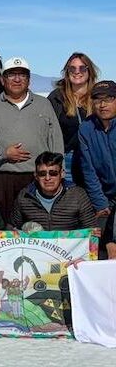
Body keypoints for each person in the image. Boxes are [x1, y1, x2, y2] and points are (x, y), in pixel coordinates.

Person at [0, 56, 64, 221]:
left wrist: (58, 169)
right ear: (2, 80)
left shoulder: (43, 104)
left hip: (36, 177)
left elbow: (55, 139)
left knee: (36, 225)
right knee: (4, 226)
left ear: (29, 80)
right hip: (1, 178)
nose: (17, 79)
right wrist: (3, 153)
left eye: (22, 75)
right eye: (11, 75)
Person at [48, 52, 100, 186]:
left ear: (89, 71)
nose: (77, 72)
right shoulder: (57, 97)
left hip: (96, 158)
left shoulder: (99, 96)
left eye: (82, 68)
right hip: (67, 159)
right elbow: (47, 129)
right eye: (72, 68)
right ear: (67, 72)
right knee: (70, 197)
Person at [9, 152, 96, 231]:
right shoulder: (24, 196)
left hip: (68, 243)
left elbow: (90, 228)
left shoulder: (78, 195)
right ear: (36, 176)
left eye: (53, 173)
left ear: (62, 174)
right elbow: (12, 227)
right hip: (36, 243)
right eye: (42, 174)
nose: (47, 178)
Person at [78, 81, 116, 245]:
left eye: (109, 99)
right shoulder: (86, 128)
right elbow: (88, 170)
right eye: (98, 99)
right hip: (104, 195)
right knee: (99, 241)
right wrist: (100, 203)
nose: (102, 104)